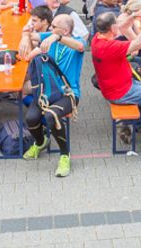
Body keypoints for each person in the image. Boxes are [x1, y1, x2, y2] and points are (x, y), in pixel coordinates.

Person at [21, 14, 85, 177]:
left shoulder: (76, 42)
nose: (50, 29)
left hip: (69, 93)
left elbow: (79, 46)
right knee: (31, 118)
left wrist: (57, 37)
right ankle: (41, 142)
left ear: (64, 30)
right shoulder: (49, 36)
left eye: (54, 26)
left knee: (51, 116)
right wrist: (25, 35)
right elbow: (32, 36)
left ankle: (65, 155)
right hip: (47, 90)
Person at [92, 9, 141, 137]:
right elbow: (140, 43)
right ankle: (128, 123)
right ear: (112, 27)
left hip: (121, 85)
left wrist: (133, 16)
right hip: (121, 91)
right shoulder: (110, 47)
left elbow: (121, 27)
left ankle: (136, 116)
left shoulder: (97, 38)